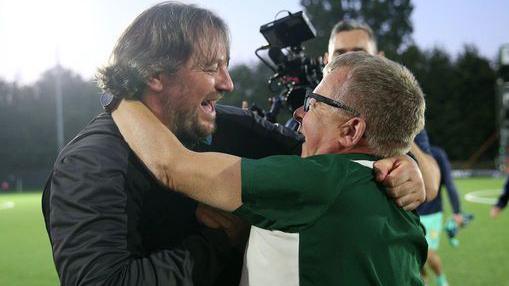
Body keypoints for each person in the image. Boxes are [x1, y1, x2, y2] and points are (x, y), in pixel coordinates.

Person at [42, 3, 427, 285]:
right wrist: (220, 240)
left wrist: (399, 161)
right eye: (211, 67)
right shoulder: (89, 163)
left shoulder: (233, 126)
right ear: (155, 75)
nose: (228, 84)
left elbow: (331, 152)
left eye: (227, 66)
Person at [112, 52, 428, 285]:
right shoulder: (404, 207)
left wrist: (118, 92)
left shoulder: (321, 180)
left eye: (314, 102)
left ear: (350, 131)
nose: (301, 114)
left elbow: (171, 166)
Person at [325, 20, 441, 202]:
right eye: (339, 54)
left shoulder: (397, 110)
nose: (348, 62)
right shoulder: (306, 112)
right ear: (326, 61)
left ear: (379, 59)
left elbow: (431, 185)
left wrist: (395, 135)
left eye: (358, 54)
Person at [418, 146, 464, 286]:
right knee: (414, 256)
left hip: (431, 213)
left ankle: (440, 278)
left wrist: (457, 211)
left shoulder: (437, 154)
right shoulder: (401, 150)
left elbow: (449, 184)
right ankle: (423, 280)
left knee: (428, 254)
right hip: (408, 212)